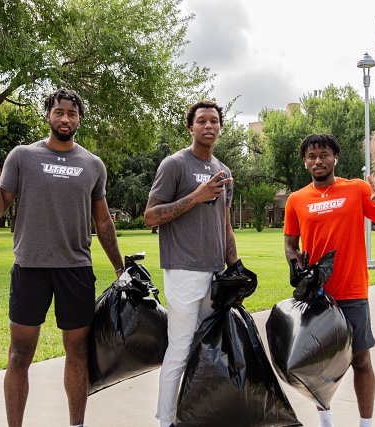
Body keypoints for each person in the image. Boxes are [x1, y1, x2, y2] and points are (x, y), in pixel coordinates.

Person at [0, 88, 124, 427]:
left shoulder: (92, 164)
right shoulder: (22, 157)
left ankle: (77, 425)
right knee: (19, 354)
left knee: (77, 353)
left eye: (72, 113)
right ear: (48, 116)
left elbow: (103, 222)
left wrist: (119, 267)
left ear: (79, 119)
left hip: (76, 270)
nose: (65, 119)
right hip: (30, 268)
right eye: (59, 112)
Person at [283, 133, 375, 427]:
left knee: (361, 361)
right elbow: (290, 244)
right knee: (318, 366)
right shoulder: (296, 199)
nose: (318, 161)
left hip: (351, 291)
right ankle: (325, 421)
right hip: (317, 297)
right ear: (305, 162)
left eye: (324, 154)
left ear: (335, 157)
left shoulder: (357, 189)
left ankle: (366, 424)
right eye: (312, 156)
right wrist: (295, 264)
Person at [144, 100, 238, 427]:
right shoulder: (174, 165)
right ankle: (165, 421)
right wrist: (195, 197)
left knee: (208, 350)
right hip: (183, 270)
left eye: (214, 121)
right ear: (190, 127)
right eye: (202, 121)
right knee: (181, 349)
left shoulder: (224, 172)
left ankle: (197, 415)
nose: (208, 126)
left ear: (220, 127)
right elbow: (150, 216)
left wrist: (235, 267)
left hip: (214, 273)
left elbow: (225, 225)